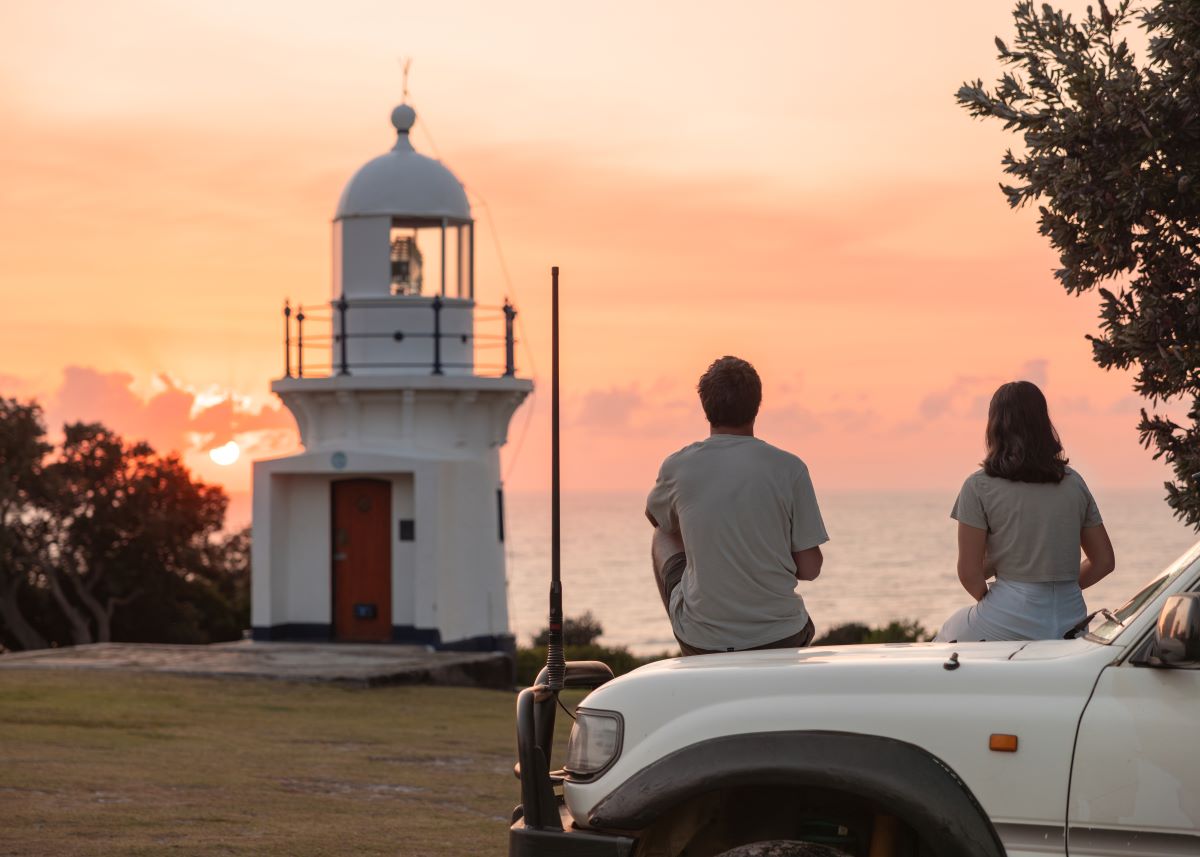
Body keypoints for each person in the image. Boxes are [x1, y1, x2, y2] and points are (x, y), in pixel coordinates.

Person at [645, 356, 828, 656]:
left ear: (706, 407)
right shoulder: (790, 468)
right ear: (757, 406)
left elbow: (656, 518)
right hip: (782, 634)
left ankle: (697, 615)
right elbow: (811, 568)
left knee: (663, 533)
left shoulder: (678, 467)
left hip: (702, 640)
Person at [935, 380, 1115, 642]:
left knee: (946, 637)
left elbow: (969, 573)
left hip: (1010, 612)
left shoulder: (978, 486)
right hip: (1071, 616)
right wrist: (1059, 593)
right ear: (1043, 423)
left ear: (994, 426)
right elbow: (1104, 562)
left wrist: (1004, 604)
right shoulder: (1074, 482)